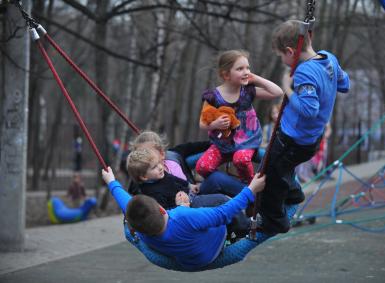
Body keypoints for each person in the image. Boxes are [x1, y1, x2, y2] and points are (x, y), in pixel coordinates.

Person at [258, 20, 350, 234]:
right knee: (280, 167)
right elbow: (345, 84)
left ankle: (274, 221)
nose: (283, 61)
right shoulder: (329, 59)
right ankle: (293, 193)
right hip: (310, 139)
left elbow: (310, 110)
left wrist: (287, 89)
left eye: (282, 57)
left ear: (290, 52)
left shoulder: (304, 72)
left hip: (293, 139)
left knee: (270, 174)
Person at [101, 166, 265, 271]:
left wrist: (112, 182)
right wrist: (251, 189)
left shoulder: (142, 231)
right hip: (216, 244)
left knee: (196, 214)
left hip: (189, 259)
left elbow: (126, 202)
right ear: (161, 209)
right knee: (222, 200)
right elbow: (223, 213)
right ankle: (245, 228)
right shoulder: (184, 217)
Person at [196, 50, 283, 183]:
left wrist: (257, 78)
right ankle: (228, 184)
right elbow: (202, 123)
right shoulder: (213, 96)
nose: (246, 71)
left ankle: (249, 185)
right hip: (222, 143)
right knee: (202, 167)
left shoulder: (247, 91)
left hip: (247, 140)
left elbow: (277, 92)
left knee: (241, 159)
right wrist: (214, 124)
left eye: (248, 68)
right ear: (226, 75)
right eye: (240, 69)